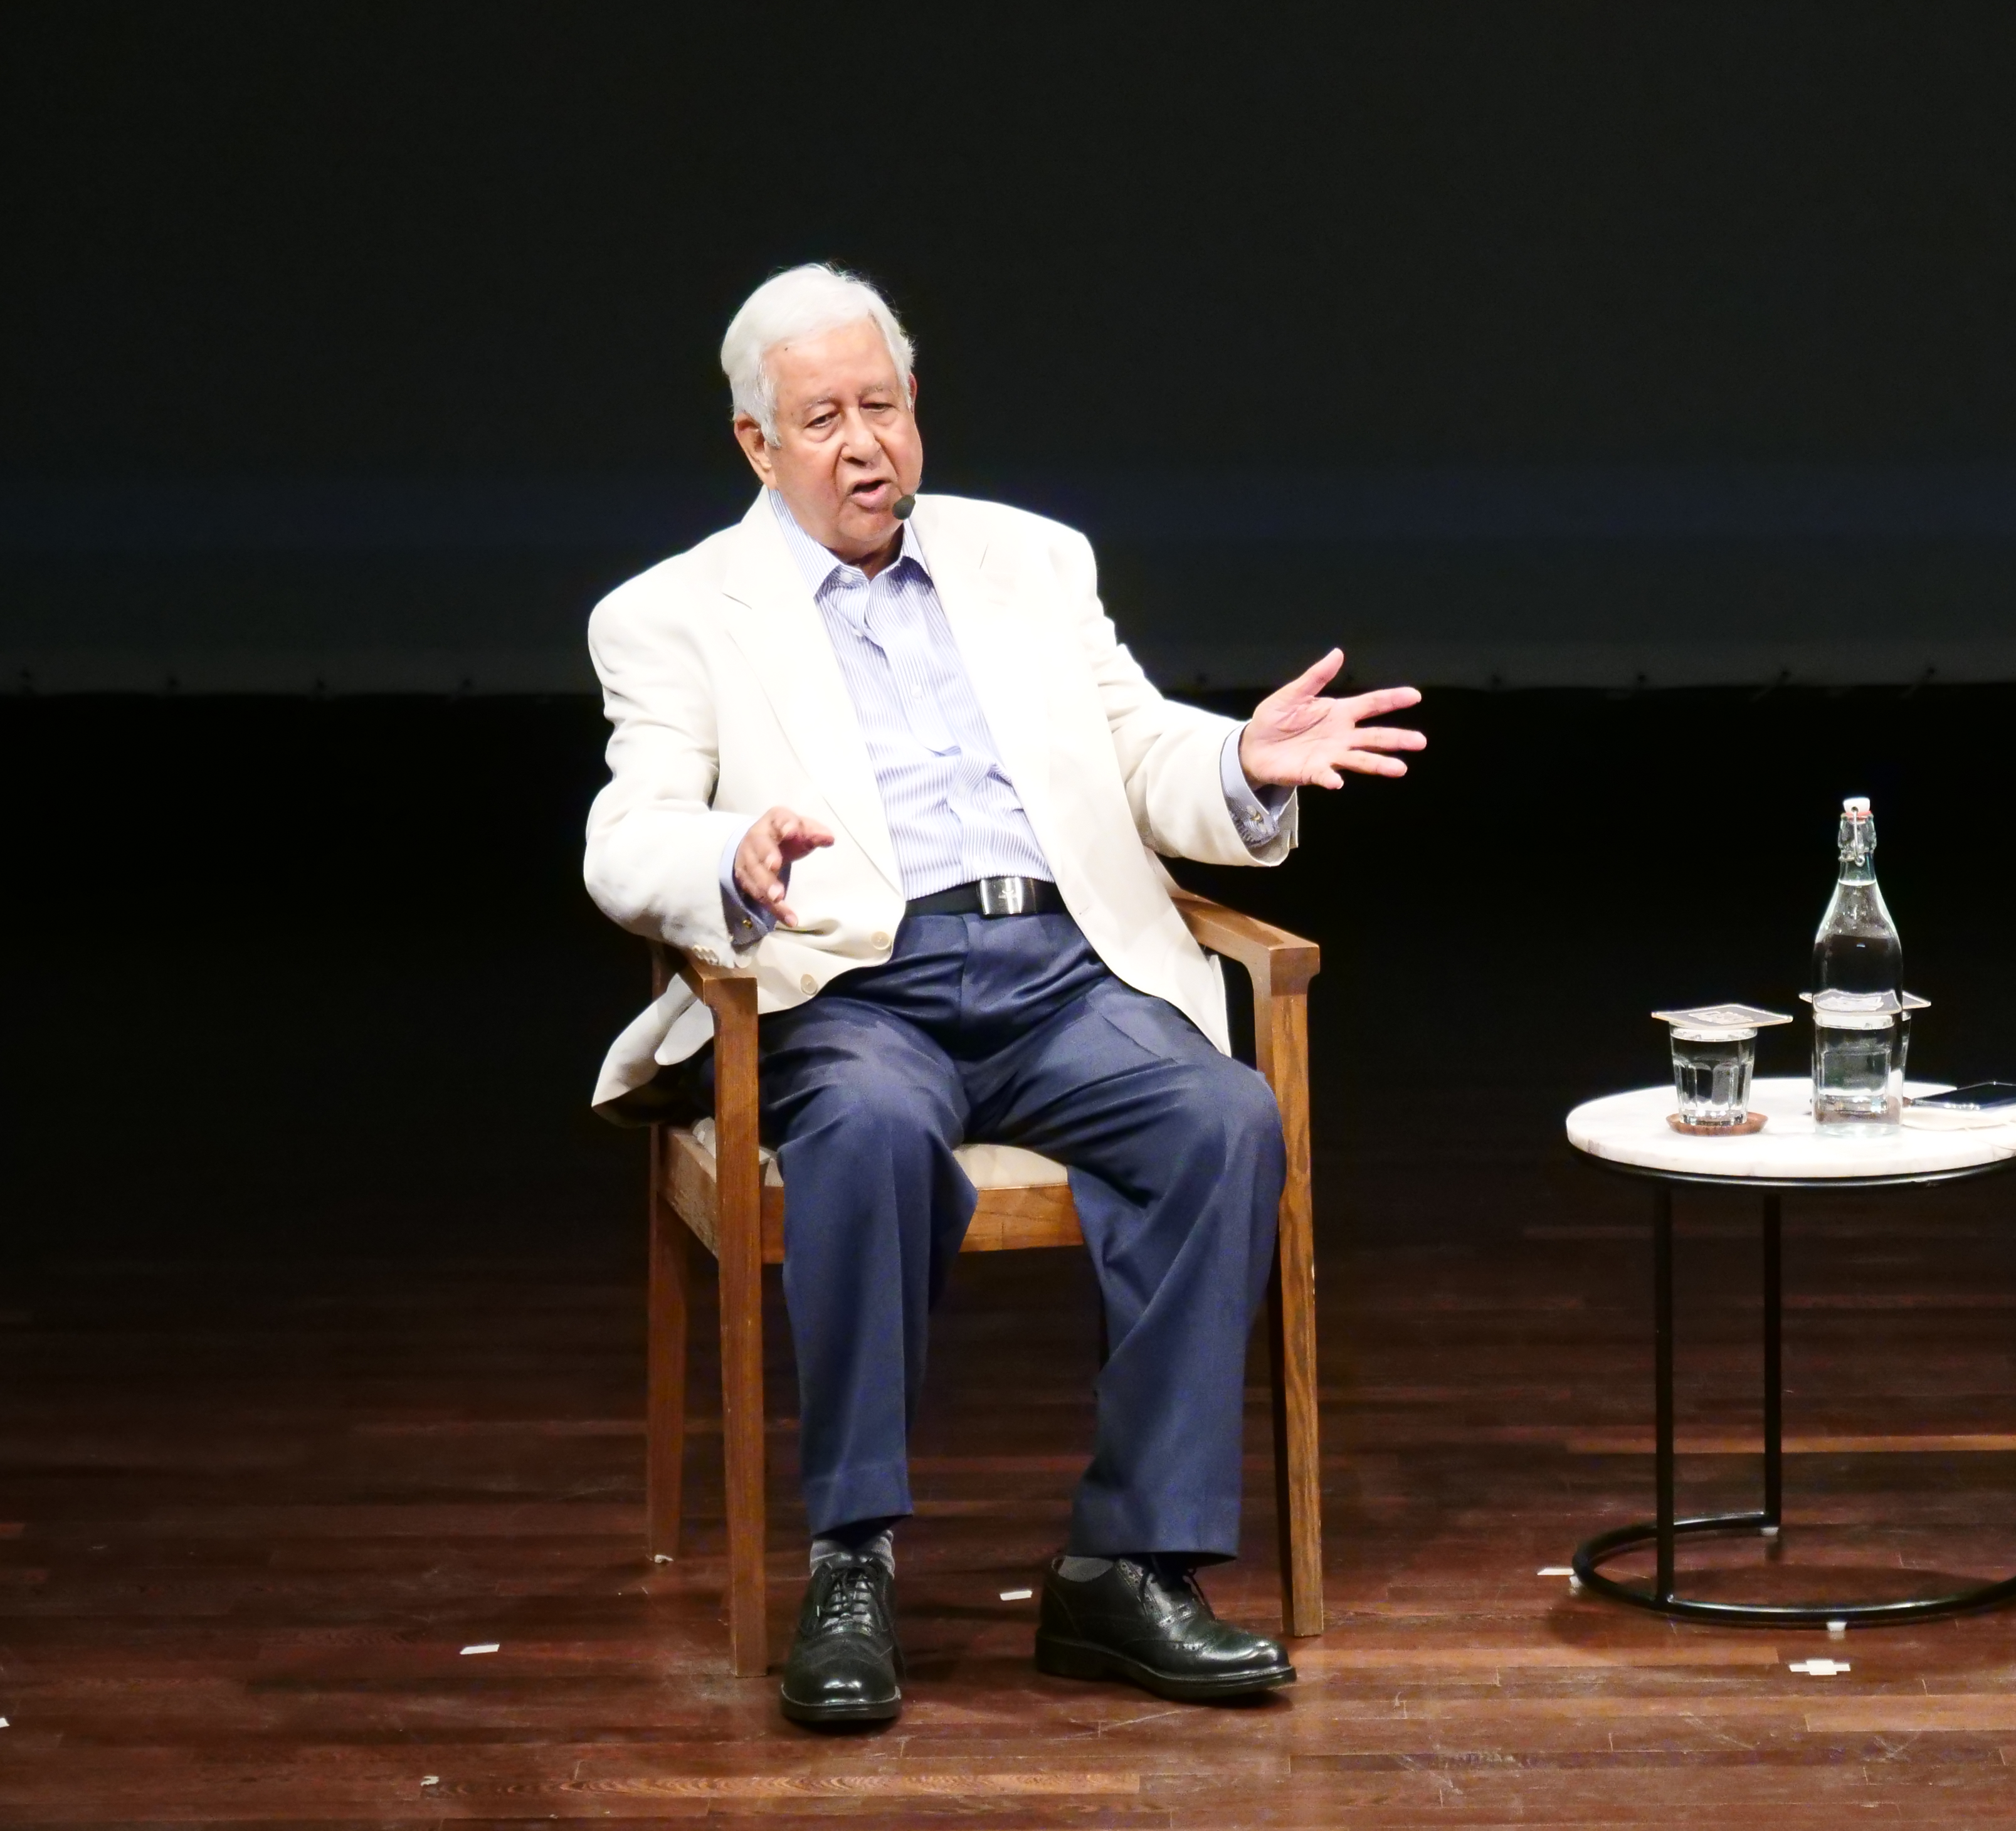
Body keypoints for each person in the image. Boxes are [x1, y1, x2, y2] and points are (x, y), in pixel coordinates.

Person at [581, 265, 1425, 1728]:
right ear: (756, 443)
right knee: (869, 1132)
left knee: (1224, 1120)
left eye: (884, 406)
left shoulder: (1031, 558)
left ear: (917, 407)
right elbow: (625, 835)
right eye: (823, 419)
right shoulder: (674, 614)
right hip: (853, 987)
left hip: (1061, 974)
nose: (865, 444)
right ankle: (852, 1559)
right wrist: (732, 854)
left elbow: (1139, 748)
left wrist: (1239, 759)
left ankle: (1126, 1566)